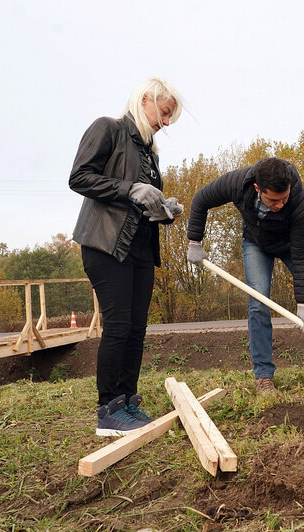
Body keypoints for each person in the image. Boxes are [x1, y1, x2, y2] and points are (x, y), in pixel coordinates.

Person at [69, 77, 184, 435]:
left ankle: (128, 403)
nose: (165, 123)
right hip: (105, 246)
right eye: (164, 113)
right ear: (146, 99)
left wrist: (164, 209)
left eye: (169, 119)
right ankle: (108, 410)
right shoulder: (109, 129)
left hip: (140, 249)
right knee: (118, 327)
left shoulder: (150, 153)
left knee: (137, 329)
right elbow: (79, 177)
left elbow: (142, 203)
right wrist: (130, 188)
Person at [185, 157, 304, 393]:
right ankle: (263, 375)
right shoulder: (238, 183)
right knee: (259, 302)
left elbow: (302, 255)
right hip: (256, 244)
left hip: (293, 245)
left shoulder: (301, 203)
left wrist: (302, 304)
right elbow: (201, 199)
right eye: (274, 200)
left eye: (284, 198)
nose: (281, 204)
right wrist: (195, 241)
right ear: (257, 189)